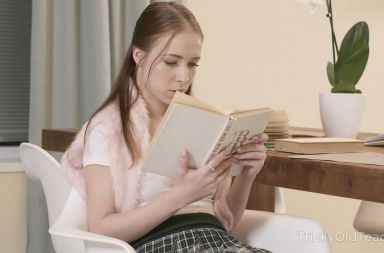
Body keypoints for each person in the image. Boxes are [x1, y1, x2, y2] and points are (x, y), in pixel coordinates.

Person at [61, 2, 271, 253]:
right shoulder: (107, 129)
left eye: (193, 64)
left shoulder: (205, 124)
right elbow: (101, 228)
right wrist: (179, 196)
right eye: (171, 62)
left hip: (218, 242)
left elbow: (226, 220)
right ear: (139, 56)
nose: (184, 77)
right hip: (163, 245)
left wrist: (248, 175)